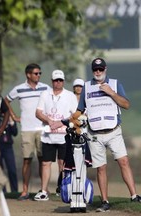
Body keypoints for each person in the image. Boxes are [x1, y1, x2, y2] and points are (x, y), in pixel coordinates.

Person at [77, 57, 141, 212]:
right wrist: (68, 122)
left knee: (124, 162)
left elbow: (126, 104)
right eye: (95, 69)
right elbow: (80, 110)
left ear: (105, 69)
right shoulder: (86, 87)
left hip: (113, 131)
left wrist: (111, 93)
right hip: (95, 134)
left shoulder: (114, 84)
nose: (98, 72)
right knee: (101, 168)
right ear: (92, 71)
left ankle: (134, 195)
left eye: (100, 69)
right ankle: (105, 201)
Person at [4, 63, 50, 201]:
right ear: (28, 74)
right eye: (36, 73)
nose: (38, 75)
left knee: (44, 160)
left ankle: (44, 190)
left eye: (40, 73)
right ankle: (25, 191)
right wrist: (13, 116)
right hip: (27, 129)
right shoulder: (19, 89)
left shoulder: (45, 88)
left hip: (42, 128)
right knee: (27, 160)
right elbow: (6, 100)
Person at [34, 70, 77, 201]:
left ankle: (63, 189)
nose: (58, 83)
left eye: (60, 80)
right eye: (56, 80)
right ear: (52, 81)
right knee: (46, 163)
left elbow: (75, 115)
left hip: (64, 135)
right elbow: (38, 112)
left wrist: (60, 123)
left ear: (63, 81)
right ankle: (43, 191)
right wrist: (49, 121)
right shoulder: (45, 94)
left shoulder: (70, 96)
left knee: (62, 164)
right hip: (48, 135)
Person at [0, 115, 18, 193]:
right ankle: (3, 191)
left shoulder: (10, 118)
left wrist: (11, 121)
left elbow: (15, 132)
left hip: (8, 146)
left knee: (12, 169)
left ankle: (14, 191)